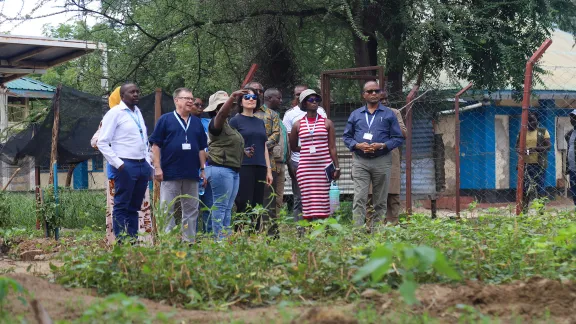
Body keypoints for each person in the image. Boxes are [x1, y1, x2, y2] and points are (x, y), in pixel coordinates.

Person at [91, 86, 153, 245]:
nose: (136, 94)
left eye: (138, 91)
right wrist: (119, 164)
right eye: (132, 92)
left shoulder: (137, 112)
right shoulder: (114, 113)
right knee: (121, 206)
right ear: (122, 95)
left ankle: (132, 241)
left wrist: (148, 163)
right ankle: (121, 243)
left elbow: (143, 139)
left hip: (141, 165)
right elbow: (102, 142)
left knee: (135, 207)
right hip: (125, 165)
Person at [343, 81, 404, 230]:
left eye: (376, 91)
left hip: (382, 160)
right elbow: (346, 137)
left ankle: (377, 233)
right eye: (369, 91)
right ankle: (357, 232)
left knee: (381, 200)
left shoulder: (389, 114)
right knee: (359, 198)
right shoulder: (355, 114)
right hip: (360, 161)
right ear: (364, 95)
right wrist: (357, 145)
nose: (373, 94)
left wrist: (382, 145)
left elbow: (398, 137)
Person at [149, 88, 207, 243]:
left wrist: (203, 169)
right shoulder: (165, 120)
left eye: (191, 98)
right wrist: (158, 167)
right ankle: (168, 241)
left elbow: (202, 148)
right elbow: (155, 146)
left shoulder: (196, 122)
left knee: (191, 209)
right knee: (167, 208)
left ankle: (189, 241)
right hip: (169, 172)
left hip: (191, 173)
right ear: (176, 100)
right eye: (186, 98)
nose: (191, 101)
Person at [289, 89, 340, 220]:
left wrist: (337, 167)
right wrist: (307, 150)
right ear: (304, 103)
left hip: (324, 167)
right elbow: (293, 146)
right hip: (306, 169)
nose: (315, 102)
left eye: (317, 100)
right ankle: (308, 228)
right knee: (307, 198)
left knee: (323, 198)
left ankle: (323, 228)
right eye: (311, 100)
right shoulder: (297, 125)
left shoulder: (327, 123)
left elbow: (332, 147)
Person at [203, 90, 246, 240]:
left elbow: (226, 145)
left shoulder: (228, 125)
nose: (228, 107)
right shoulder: (216, 122)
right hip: (220, 169)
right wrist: (233, 96)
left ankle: (225, 239)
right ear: (216, 109)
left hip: (232, 170)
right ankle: (218, 240)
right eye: (222, 105)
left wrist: (244, 151)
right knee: (220, 207)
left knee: (227, 208)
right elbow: (221, 114)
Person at [230, 88, 274, 232]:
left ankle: (253, 235)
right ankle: (239, 234)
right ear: (240, 101)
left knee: (257, 204)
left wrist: (269, 170)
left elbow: (264, 147)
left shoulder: (259, 122)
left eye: (254, 97)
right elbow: (231, 144)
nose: (251, 99)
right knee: (243, 201)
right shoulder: (235, 121)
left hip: (260, 166)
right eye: (247, 97)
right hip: (244, 166)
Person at [283, 85, 327, 221]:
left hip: (320, 162)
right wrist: (290, 164)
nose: (311, 100)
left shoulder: (321, 112)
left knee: (319, 196)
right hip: (299, 161)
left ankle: (318, 227)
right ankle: (300, 228)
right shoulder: (290, 114)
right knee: (300, 197)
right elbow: (290, 142)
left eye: (313, 98)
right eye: (298, 94)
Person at [255, 87, 281, 237]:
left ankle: (271, 235)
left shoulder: (272, 115)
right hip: (247, 163)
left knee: (269, 201)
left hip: (268, 163)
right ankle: (251, 233)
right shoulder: (242, 114)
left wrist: (261, 145)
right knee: (249, 199)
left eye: (259, 92)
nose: (256, 94)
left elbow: (276, 135)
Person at [516, 111, 551, 211]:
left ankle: (541, 211)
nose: (530, 123)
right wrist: (523, 150)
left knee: (540, 188)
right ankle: (524, 210)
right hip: (525, 165)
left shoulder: (543, 131)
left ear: (537, 120)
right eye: (528, 121)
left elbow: (548, 146)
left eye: (533, 120)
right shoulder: (522, 133)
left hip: (539, 165)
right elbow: (516, 148)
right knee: (524, 189)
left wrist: (535, 149)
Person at [191, 97, 213, 234]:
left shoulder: (208, 123)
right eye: (196, 104)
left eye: (202, 105)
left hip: (209, 169)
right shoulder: (186, 122)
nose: (200, 107)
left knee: (209, 206)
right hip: (192, 170)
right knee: (192, 207)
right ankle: (192, 237)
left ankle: (208, 236)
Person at [385, 102, 407, 226]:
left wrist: (391, 119)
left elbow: (404, 134)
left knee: (392, 191)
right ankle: (373, 226)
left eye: (385, 99)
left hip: (391, 156)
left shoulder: (394, 112)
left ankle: (393, 224)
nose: (382, 101)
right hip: (371, 157)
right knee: (372, 193)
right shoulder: (365, 113)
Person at [564, 110, 576, 207]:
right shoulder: (569, 134)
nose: (572, 120)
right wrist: (567, 166)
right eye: (571, 118)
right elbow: (569, 149)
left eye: (574, 117)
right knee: (574, 191)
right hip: (573, 169)